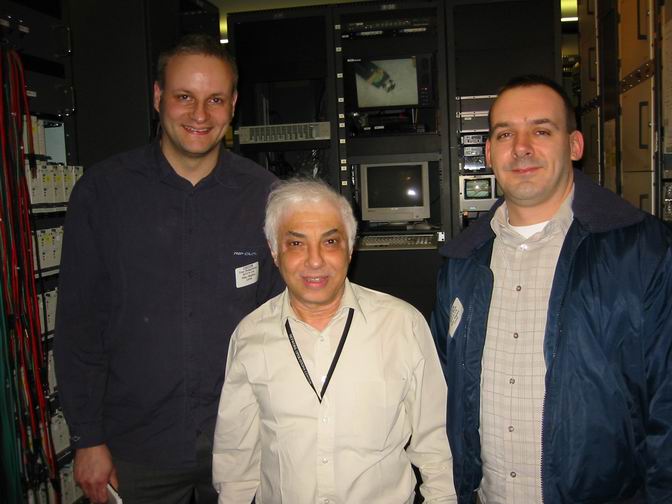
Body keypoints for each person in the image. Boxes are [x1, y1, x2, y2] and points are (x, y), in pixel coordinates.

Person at [54, 34, 284, 504]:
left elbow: (285, 321)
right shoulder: (103, 193)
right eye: (184, 96)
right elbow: (78, 326)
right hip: (136, 450)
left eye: (215, 99)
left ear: (233, 104)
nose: (200, 114)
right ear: (158, 97)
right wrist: (86, 438)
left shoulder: (266, 197)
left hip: (243, 444)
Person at [431, 74, 672, 503]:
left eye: (541, 131)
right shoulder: (460, 264)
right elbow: (445, 396)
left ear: (575, 145)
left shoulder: (648, 253)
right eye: (505, 134)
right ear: (489, 153)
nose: (521, 147)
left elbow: (667, 406)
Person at [212, 178, 457, 503]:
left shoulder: (402, 325)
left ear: (350, 248)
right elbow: (236, 462)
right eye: (296, 243)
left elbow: (436, 445)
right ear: (274, 252)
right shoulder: (249, 336)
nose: (315, 261)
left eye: (330, 242)